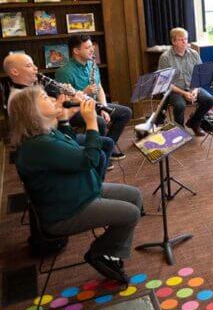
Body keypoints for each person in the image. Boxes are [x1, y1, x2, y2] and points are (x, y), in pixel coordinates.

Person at [10, 86, 142, 283]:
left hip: (81, 192)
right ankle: (99, 253)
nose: (54, 99)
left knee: (135, 196)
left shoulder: (46, 133)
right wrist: (91, 124)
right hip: (68, 210)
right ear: (32, 112)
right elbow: (89, 159)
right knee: (131, 213)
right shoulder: (39, 145)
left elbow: (70, 144)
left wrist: (64, 120)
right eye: (46, 98)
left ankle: (111, 251)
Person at [3, 53, 116, 178]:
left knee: (107, 144)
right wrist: (80, 107)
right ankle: (90, 183)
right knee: (99, 155)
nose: (35, 68)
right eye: (29, 66)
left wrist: (71, 101)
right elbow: (54, 122)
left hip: (56, 135)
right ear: (15, 71)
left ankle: (93, 182)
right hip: (49, 144)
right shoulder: (20, 99)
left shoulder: (31, 89)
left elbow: (58, 116)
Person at [55, 35, 132, 159]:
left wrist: (104, 108)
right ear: (76, 51)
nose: (92, 50)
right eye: (88, 47)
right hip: (75, 109)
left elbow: (99, 87)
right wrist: (84, 91)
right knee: (99, 121)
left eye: (92, 46)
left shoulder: (92, 64)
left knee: (125, 112)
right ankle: (98, 155)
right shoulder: (64, 72)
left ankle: (107, 149)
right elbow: (63, 102)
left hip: (93, 104)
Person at [156, 28, 213, 136]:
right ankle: (180, 130)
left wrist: (195, 91)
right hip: (175, 91)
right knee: (180, 105)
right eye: (181, 39)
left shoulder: (194, 54)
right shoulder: (165, 58)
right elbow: (166, 83)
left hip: (192, 87)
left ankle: (194, 122)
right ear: (173, 41)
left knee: (209, 99)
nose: (185, 42)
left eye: (186, 39)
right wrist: (184, 93)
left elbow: (200, 75)